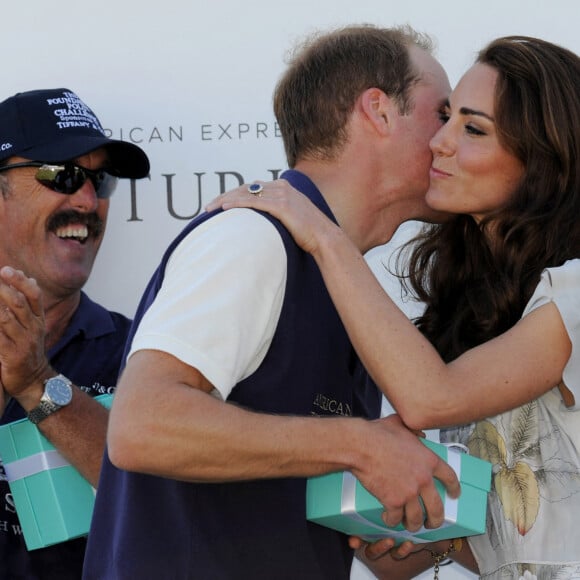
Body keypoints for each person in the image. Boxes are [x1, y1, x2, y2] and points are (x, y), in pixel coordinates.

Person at [83, 25, 461, 580]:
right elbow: (143, 427)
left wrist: (381, 524)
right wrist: (361, 446)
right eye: (444, 114)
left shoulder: (335, 273)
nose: (453, 139)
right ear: (379, 111)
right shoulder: (253, 237)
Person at [207, 35, 580, 578]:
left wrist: (321, 231)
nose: (438, 142)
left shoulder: (573, 293)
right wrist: (432, 544)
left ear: (545, 160)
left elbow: (432, 398)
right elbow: (531, 536)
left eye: (473, 129)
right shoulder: (474, 307)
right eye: (446, 116)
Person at [0, 88, 150, 579]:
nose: (87, 200)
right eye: (61, 174)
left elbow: (164, 505)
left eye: (99, 180)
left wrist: (38, 385)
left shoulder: (146, 353)